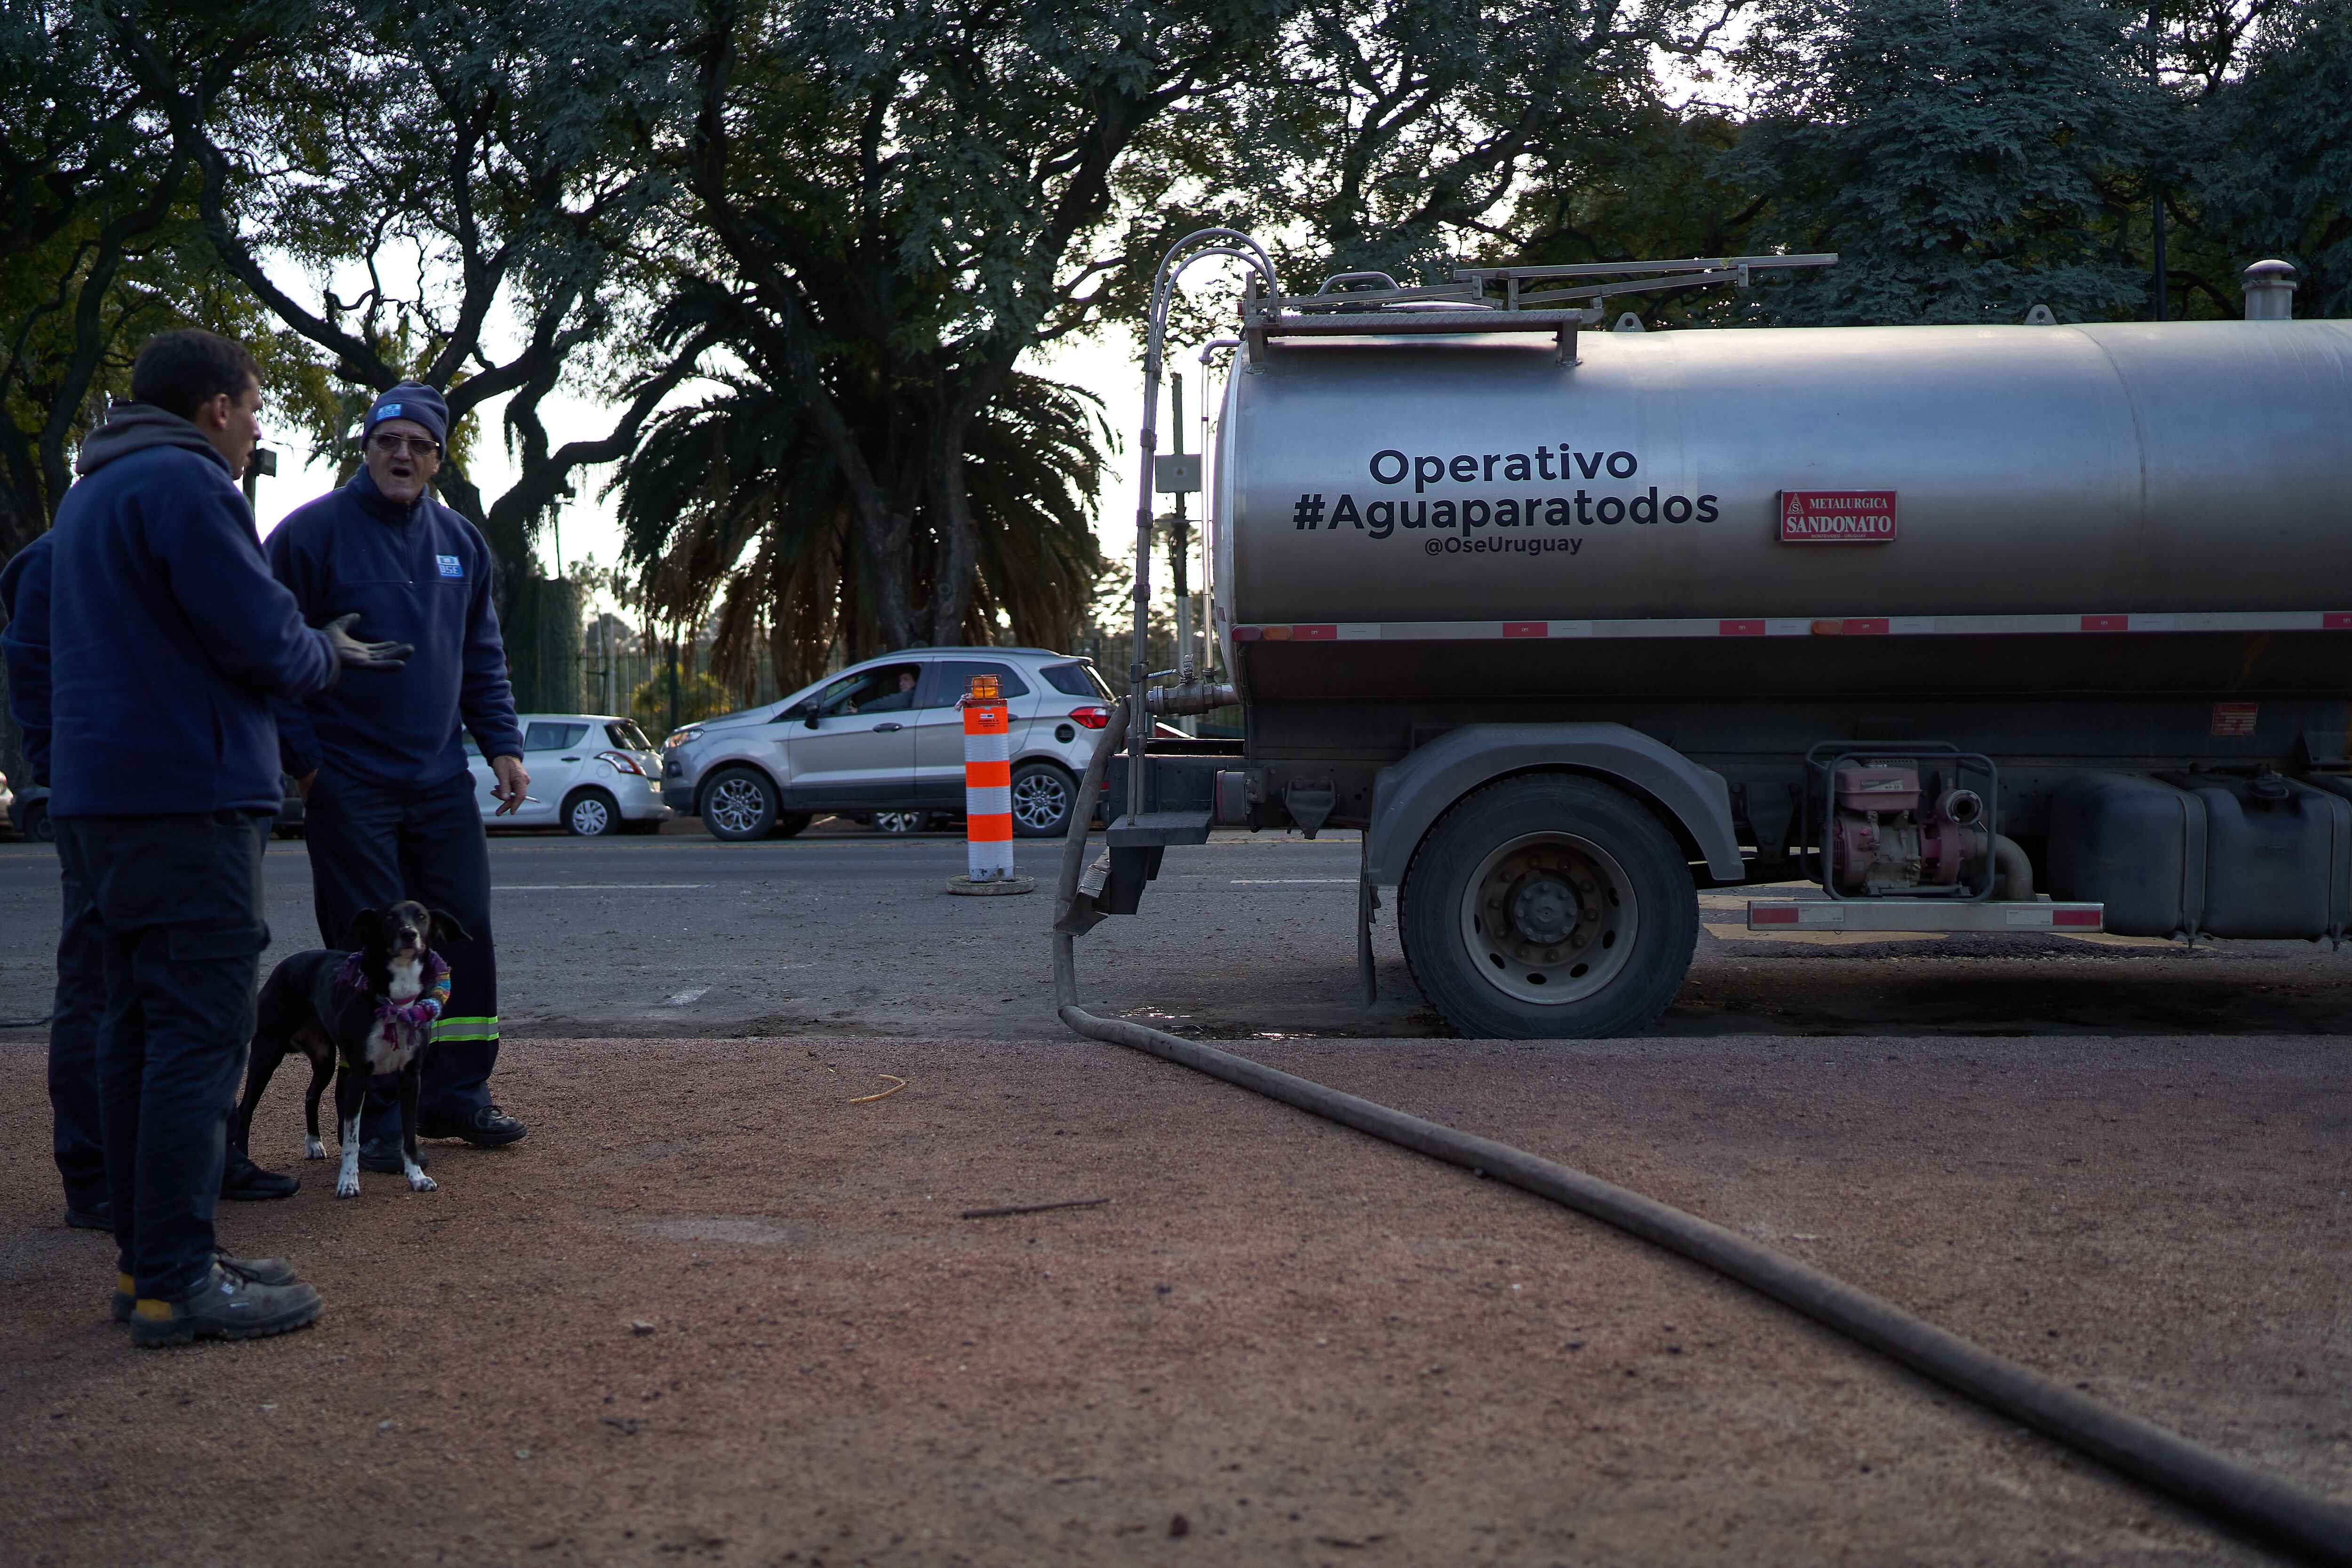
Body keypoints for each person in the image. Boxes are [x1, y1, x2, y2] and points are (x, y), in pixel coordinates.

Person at [43, 328, 408, 1345]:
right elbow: (262, 638)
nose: (256, 429)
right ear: (215, 407)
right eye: (253, 408)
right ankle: (173, 1278)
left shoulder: (92, 491)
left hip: (102, 801)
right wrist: (323, 649)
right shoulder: (190, 485)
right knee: (201, 1037)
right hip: (188, 799)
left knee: (135, 1028)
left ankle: (154, 1257)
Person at [267, 383, 530, 1175]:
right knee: (367, 948)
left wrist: (503, 745)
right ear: (366, 450)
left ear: (439, 460)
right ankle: (378, 1116)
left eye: (419, 445)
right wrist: (309, 767)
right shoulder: (309, 535)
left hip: (440, 778)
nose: (403, 456)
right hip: (350, 781)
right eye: (389, 443)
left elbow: (481, 655)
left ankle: (455, 1095)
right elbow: (272, 655)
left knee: (463, 929)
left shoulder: (463, 544)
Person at [3, 538, 298, 1218]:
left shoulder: (161, 539)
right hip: (121, 807)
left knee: (191, 996)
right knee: (101, 986)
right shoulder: (71, 552)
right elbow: (33, 669)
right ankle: (100, 1176)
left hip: (198, 800)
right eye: (237, 419)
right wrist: (65, 773)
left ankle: (197, 1159)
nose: (251, 426)